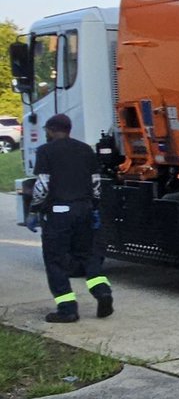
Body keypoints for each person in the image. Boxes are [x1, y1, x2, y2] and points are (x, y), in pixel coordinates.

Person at [31, 114, 113, 323]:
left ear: (50, 130)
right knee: (87, 255)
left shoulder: (45, 151)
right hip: (84, 210)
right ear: (69, 129)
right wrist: (93, 207)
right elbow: (96, 183)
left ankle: (67, 309)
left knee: (56, 261)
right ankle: (102, 291)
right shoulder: (85, 149)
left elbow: (42, 185)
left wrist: (35, 209)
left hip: (58, 213)